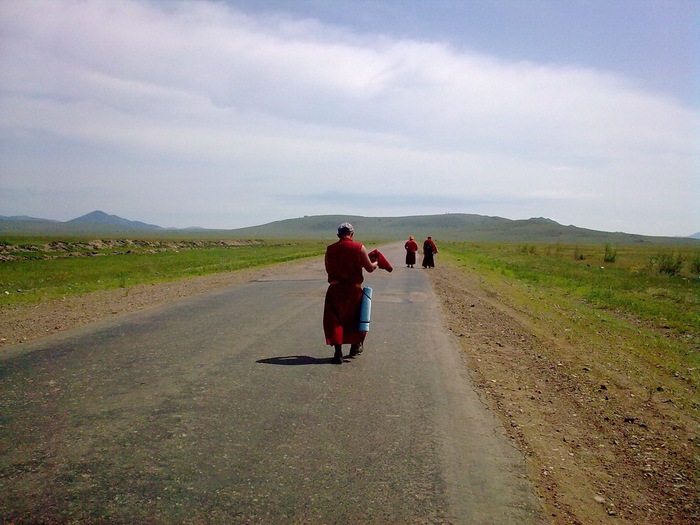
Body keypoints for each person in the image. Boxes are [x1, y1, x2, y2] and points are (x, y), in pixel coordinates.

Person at [323, 222, 378, 364]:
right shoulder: (359, 247)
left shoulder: (330, 249)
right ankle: (355, 347)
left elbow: (328, 269)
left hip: (335, 290)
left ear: (338, 235)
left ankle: (338, 352)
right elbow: (370, 268)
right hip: (354, 290)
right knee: (357, 319)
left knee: (335, 320)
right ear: (352, 234)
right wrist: (376, 262)